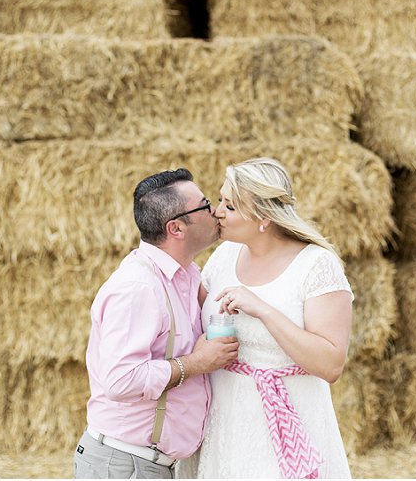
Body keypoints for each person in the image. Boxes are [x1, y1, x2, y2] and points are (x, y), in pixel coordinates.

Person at [178, 157, 354, 479]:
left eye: (229, 206)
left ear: (263, 218)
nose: (216, 212)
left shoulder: (316, 266)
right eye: (220, 199)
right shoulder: (224, 256)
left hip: (287, 422)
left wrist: (262, 309)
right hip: (223, 420)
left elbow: (331, 365)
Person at [74, 168, 239, 479]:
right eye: (205, 205)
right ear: (176, 228)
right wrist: (196, 363)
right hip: (126, 465)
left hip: (147, 465)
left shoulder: (187, 275)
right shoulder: (138, 288)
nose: (216, 211)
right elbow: (120, 380)